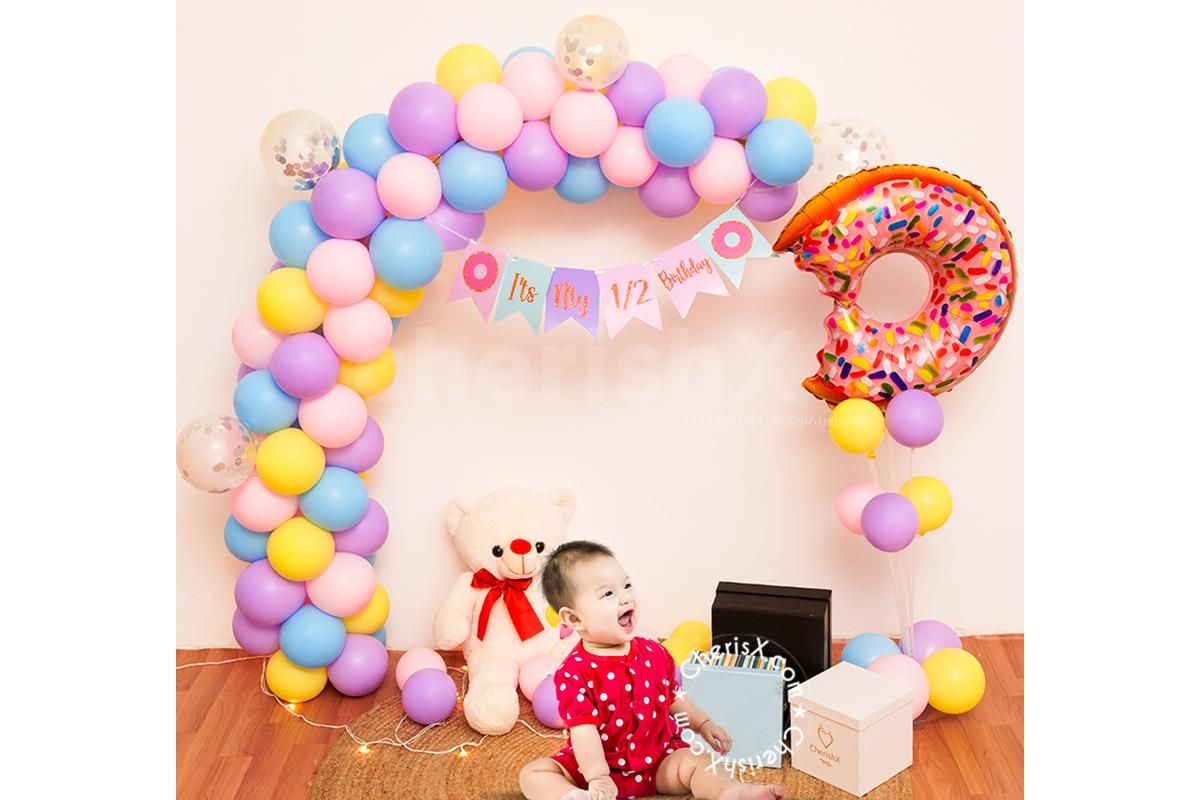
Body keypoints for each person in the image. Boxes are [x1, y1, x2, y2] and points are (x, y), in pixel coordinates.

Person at [519, 540, 785, 800]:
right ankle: (572, 796)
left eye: (626, 585)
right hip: (594, 769)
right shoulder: (574, 673)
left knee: (697, 760)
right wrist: (598, 777)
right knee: (533, 774)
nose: (625, 597)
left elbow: (673, 696)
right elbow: (583, 731)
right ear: (574, 619)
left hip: (658, 760)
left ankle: (728, 791)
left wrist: (703, 723)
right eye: (608, 593)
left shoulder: (653, 652)